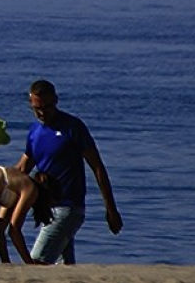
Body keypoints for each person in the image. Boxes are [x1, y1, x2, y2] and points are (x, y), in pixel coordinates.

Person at [15, 79, 122, 264]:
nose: (41, 113)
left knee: (37, 263)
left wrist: (111, 209)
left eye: (46, 107)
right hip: (47, 210)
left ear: (56, 100)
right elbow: (22, 169)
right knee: (65, 269)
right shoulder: (34, 132)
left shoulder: (73, 127)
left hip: (68, 208)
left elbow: (97, 167)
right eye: (36, 108)